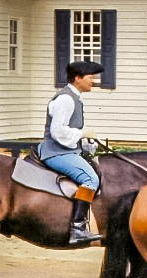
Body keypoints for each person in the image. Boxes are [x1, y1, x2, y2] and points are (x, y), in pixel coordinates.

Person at [38, 61, 103, 245]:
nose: (94, 81)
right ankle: (78, 228)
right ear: (77, 78)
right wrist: (83, 133)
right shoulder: (66, 100)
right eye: (91, 77)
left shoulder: (75, 97)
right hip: (56, 152)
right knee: (91, 180)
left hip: (67, 150)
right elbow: (58, 131)